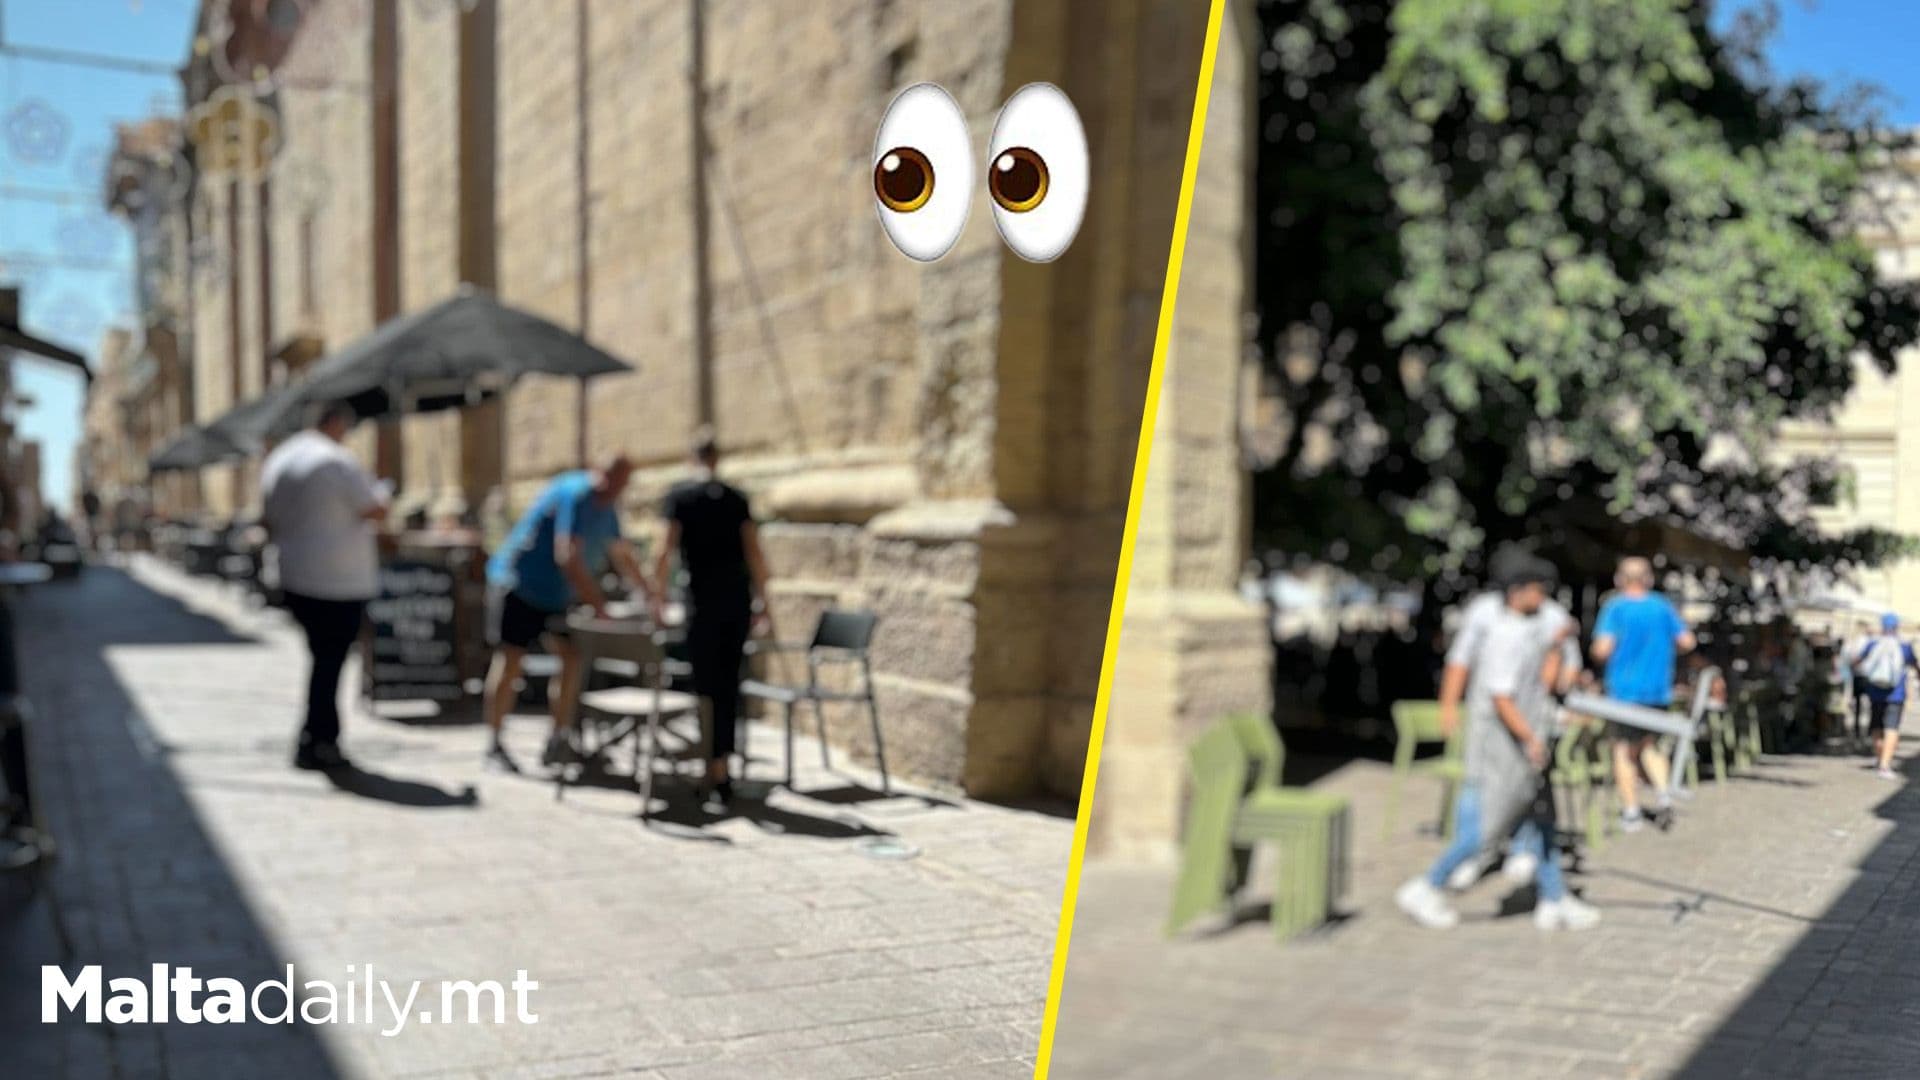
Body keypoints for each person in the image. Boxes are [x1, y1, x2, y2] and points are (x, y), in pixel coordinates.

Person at [1397, 554, 1599, 932]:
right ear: (1516, 592)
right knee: (1491, 825)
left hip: (1526, 736)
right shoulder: (1505, 636)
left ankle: (1555, 898)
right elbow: (1502, 698)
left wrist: (1556, 652)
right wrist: (1529, 739)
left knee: (1542, 820)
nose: (1543, 597)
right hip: (1508, 743)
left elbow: (1544, 685)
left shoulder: (1533, 629)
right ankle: (1428, 885)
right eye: (1537, 589)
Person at [482, 456, 656, 773]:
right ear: (600, 474)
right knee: (511, 661)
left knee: (571, 658)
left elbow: (622, 554)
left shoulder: (607, 507)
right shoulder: (577, 495)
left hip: (557, 595)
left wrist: (649, 593)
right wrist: (599, 606)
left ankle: (559, 739)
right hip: (520, 585)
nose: (616, 489)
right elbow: (568, 555)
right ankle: (493, 743)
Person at [260, 401, 390, 771]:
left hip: (293, 575)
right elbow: (375, 509)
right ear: (335, 424)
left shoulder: (280, 459)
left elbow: (267, 519)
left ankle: (317, 736)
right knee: (329, 663)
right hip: (335, 580)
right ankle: (317, 741)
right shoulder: (335, 460)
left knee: (323, 660)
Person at [656, 428, 770, 805]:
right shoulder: (737, 499)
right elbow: (754, 553)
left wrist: (658, 598)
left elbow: (664, 551)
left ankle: (710, 764)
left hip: (700, 603)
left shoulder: (680, 497)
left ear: (692, 457)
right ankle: (721, 767)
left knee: (704, 685)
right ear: (717, 458)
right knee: (728, 686)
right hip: (735, 602)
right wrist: (763, 602)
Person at [1591, 556, 1695, 833]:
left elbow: (1602, 649)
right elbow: (1687, 641)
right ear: (1648, 579)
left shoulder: (1615, 608)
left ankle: (1631, 812)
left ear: (1619, 579)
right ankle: (1663, 796)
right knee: (1651, 745)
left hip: (1623, 691)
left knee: (1623, 750)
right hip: (1657, 690)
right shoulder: (1662, 606)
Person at [1853, 614, 1919, 781]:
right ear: (1897, 627)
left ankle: (1879, 756)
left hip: (1875, 692)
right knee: (1892, 728)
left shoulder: (1874, 643)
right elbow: (1914, 664)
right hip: (1896, 693)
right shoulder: (1904, 645)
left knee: (1876, 726)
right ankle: (1885, 764)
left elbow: (1858, 660)